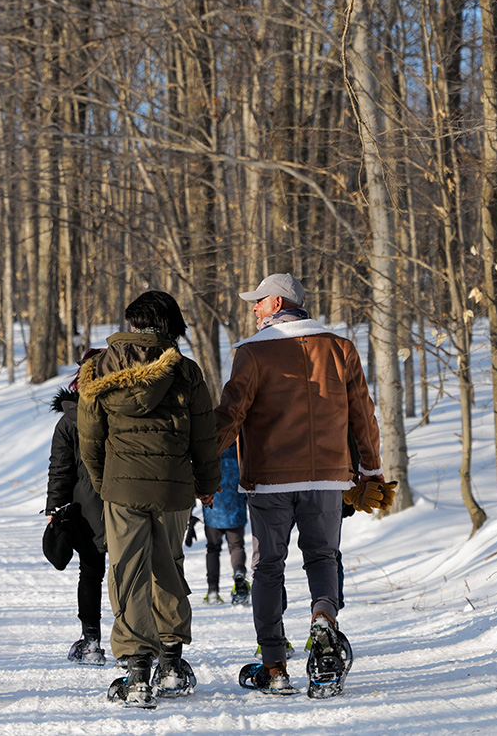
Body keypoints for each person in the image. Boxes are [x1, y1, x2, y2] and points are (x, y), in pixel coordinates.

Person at [217, 272, 392, 695]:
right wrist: (369, 469)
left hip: (269, 480)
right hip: (328, 477)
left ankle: (274, 665)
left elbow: (230, 416)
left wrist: (202, 466)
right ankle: (324, 624)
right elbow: (362, 414)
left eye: (258, 301)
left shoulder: (252, 354)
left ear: (277, 304)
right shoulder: (340, 348)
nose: (254, 308)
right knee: (323, 556)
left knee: (267, 568)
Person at [78, 290, 220, 708]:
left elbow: (90, 439)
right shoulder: (187, 372)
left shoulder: (98, 369)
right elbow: (204, 438)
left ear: (132, 324)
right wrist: (207, 483)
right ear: (171, 324)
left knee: (128, 571)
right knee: (168, 567)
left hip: (122, 488)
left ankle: (138, 671)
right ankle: (172, 662)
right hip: (174, 488)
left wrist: (106, 483)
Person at [45, 350, 107, 666]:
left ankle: (92, 640)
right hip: (125, 502)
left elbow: (61, 469)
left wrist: (56, 509)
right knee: (128, 574)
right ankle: (133, 643)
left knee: (91, 572)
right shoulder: (127, 412)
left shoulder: (69, 420)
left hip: (87, 507)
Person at [199, 444, 249, 605]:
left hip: (213, 507)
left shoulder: (209, 446)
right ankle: (239, 575)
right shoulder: (239, 444)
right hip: (235, 507)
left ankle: (212, 591)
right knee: (236, 546)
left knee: (212, 548)